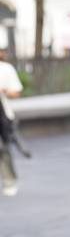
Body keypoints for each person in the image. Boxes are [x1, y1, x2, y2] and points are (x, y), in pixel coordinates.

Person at [0, 49, 23, 196]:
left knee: (4, 148)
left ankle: (10, 181)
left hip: (3, 115)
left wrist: (3, 91)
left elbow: (16, 92)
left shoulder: (6, 69)